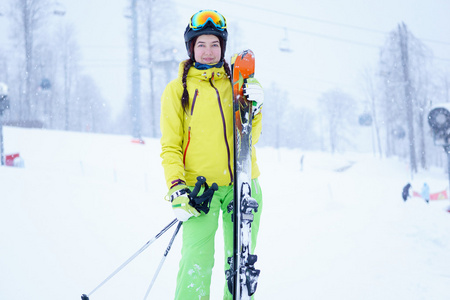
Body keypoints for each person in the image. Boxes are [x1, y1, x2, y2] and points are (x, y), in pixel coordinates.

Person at [159, 9, 264, 300]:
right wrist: (176, 187)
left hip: (242, 187)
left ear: (223, 47)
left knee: (240, 268)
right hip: (199, 191)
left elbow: (249, 140)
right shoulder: (176, 90)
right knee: (196, 265)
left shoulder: (237, 86)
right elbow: (170, 146)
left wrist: (256, 108)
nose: (208, 51)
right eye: (201, 44)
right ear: (191, 48)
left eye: (215, 44)